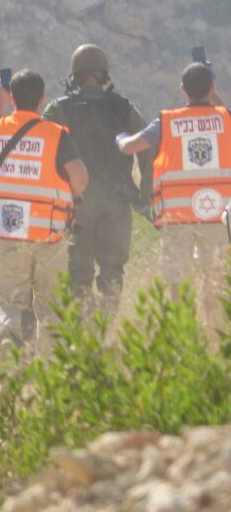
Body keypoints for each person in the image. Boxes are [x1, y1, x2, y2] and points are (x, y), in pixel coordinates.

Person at [0, 71, 88, 352]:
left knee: (6, 300)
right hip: (48, 232)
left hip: (6, 229)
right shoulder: (56, 135)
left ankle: (7, 337)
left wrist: (1, 100)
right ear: (43, 98)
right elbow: (80, 178)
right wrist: (73, 196)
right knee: (51, 305)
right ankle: (49, 368)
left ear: (12, 96)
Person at [117, 62, 230, 330]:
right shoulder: (225, 119)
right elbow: (224, 113)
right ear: (213, 88)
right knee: (216, 281)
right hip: (216, 216)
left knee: (178, 283)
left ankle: (185, 337)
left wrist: (120, 138)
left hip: (177, 218)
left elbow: (131, 146)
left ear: (182, 89)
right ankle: (215, 333)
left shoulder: (167, 121)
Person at [43, 44, 149, 313]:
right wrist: (145, 191)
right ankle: (106, 329)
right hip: (117, 199)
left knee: (78, 272)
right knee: (112, 271)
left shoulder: (58, 109)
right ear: (104, 75)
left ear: (75, 75)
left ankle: (84, 335)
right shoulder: (124, 107)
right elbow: (148, 146)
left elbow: (39, 143)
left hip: (76, 201)